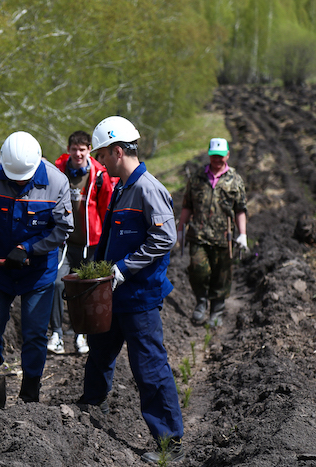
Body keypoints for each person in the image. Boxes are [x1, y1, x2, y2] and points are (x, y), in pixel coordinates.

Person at [79, 116, 185, 464]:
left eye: (102, 155)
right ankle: (90, 409)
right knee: (99, 353)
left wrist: (123, 269)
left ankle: (169, 441)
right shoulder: (123, 186)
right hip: (114, 296)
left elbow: (165, 238)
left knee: (149, 367)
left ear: (118, 151)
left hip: (139, 297)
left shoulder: (147, 188)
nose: (99, 161)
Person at [0, 131, 73, 422]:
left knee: (33, 334)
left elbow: (62, 228)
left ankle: (30, 396)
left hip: (37, 272)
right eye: (14, 177)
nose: (19, 183)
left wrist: (29, 247)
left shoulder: (57, 182)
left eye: (25, 178)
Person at [47, 130, 118, 355]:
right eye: (74, 149)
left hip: (90, 243)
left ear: (89, 150)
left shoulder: (99, 174)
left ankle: (81, 335)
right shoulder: (58, 171)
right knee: (56, 284)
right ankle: (57, 333)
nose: (78, 153)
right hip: (64, 243)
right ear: (68, 150)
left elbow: (107, 208)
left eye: (83, 149)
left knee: (85, 290)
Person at [178, 138, 248, 327]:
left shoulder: (235, 180)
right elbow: (187, 205)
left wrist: (242, 234)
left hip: (224, 237)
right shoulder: (197, 177)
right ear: (209, 155)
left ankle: (216, 309)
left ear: (227, 155)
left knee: (221, 275)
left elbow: (240, 209)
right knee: (198, 270)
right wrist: (180, 229)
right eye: (214, 156)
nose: (217, 159)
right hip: (198, 235)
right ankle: (201, 303)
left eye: (221, 156)